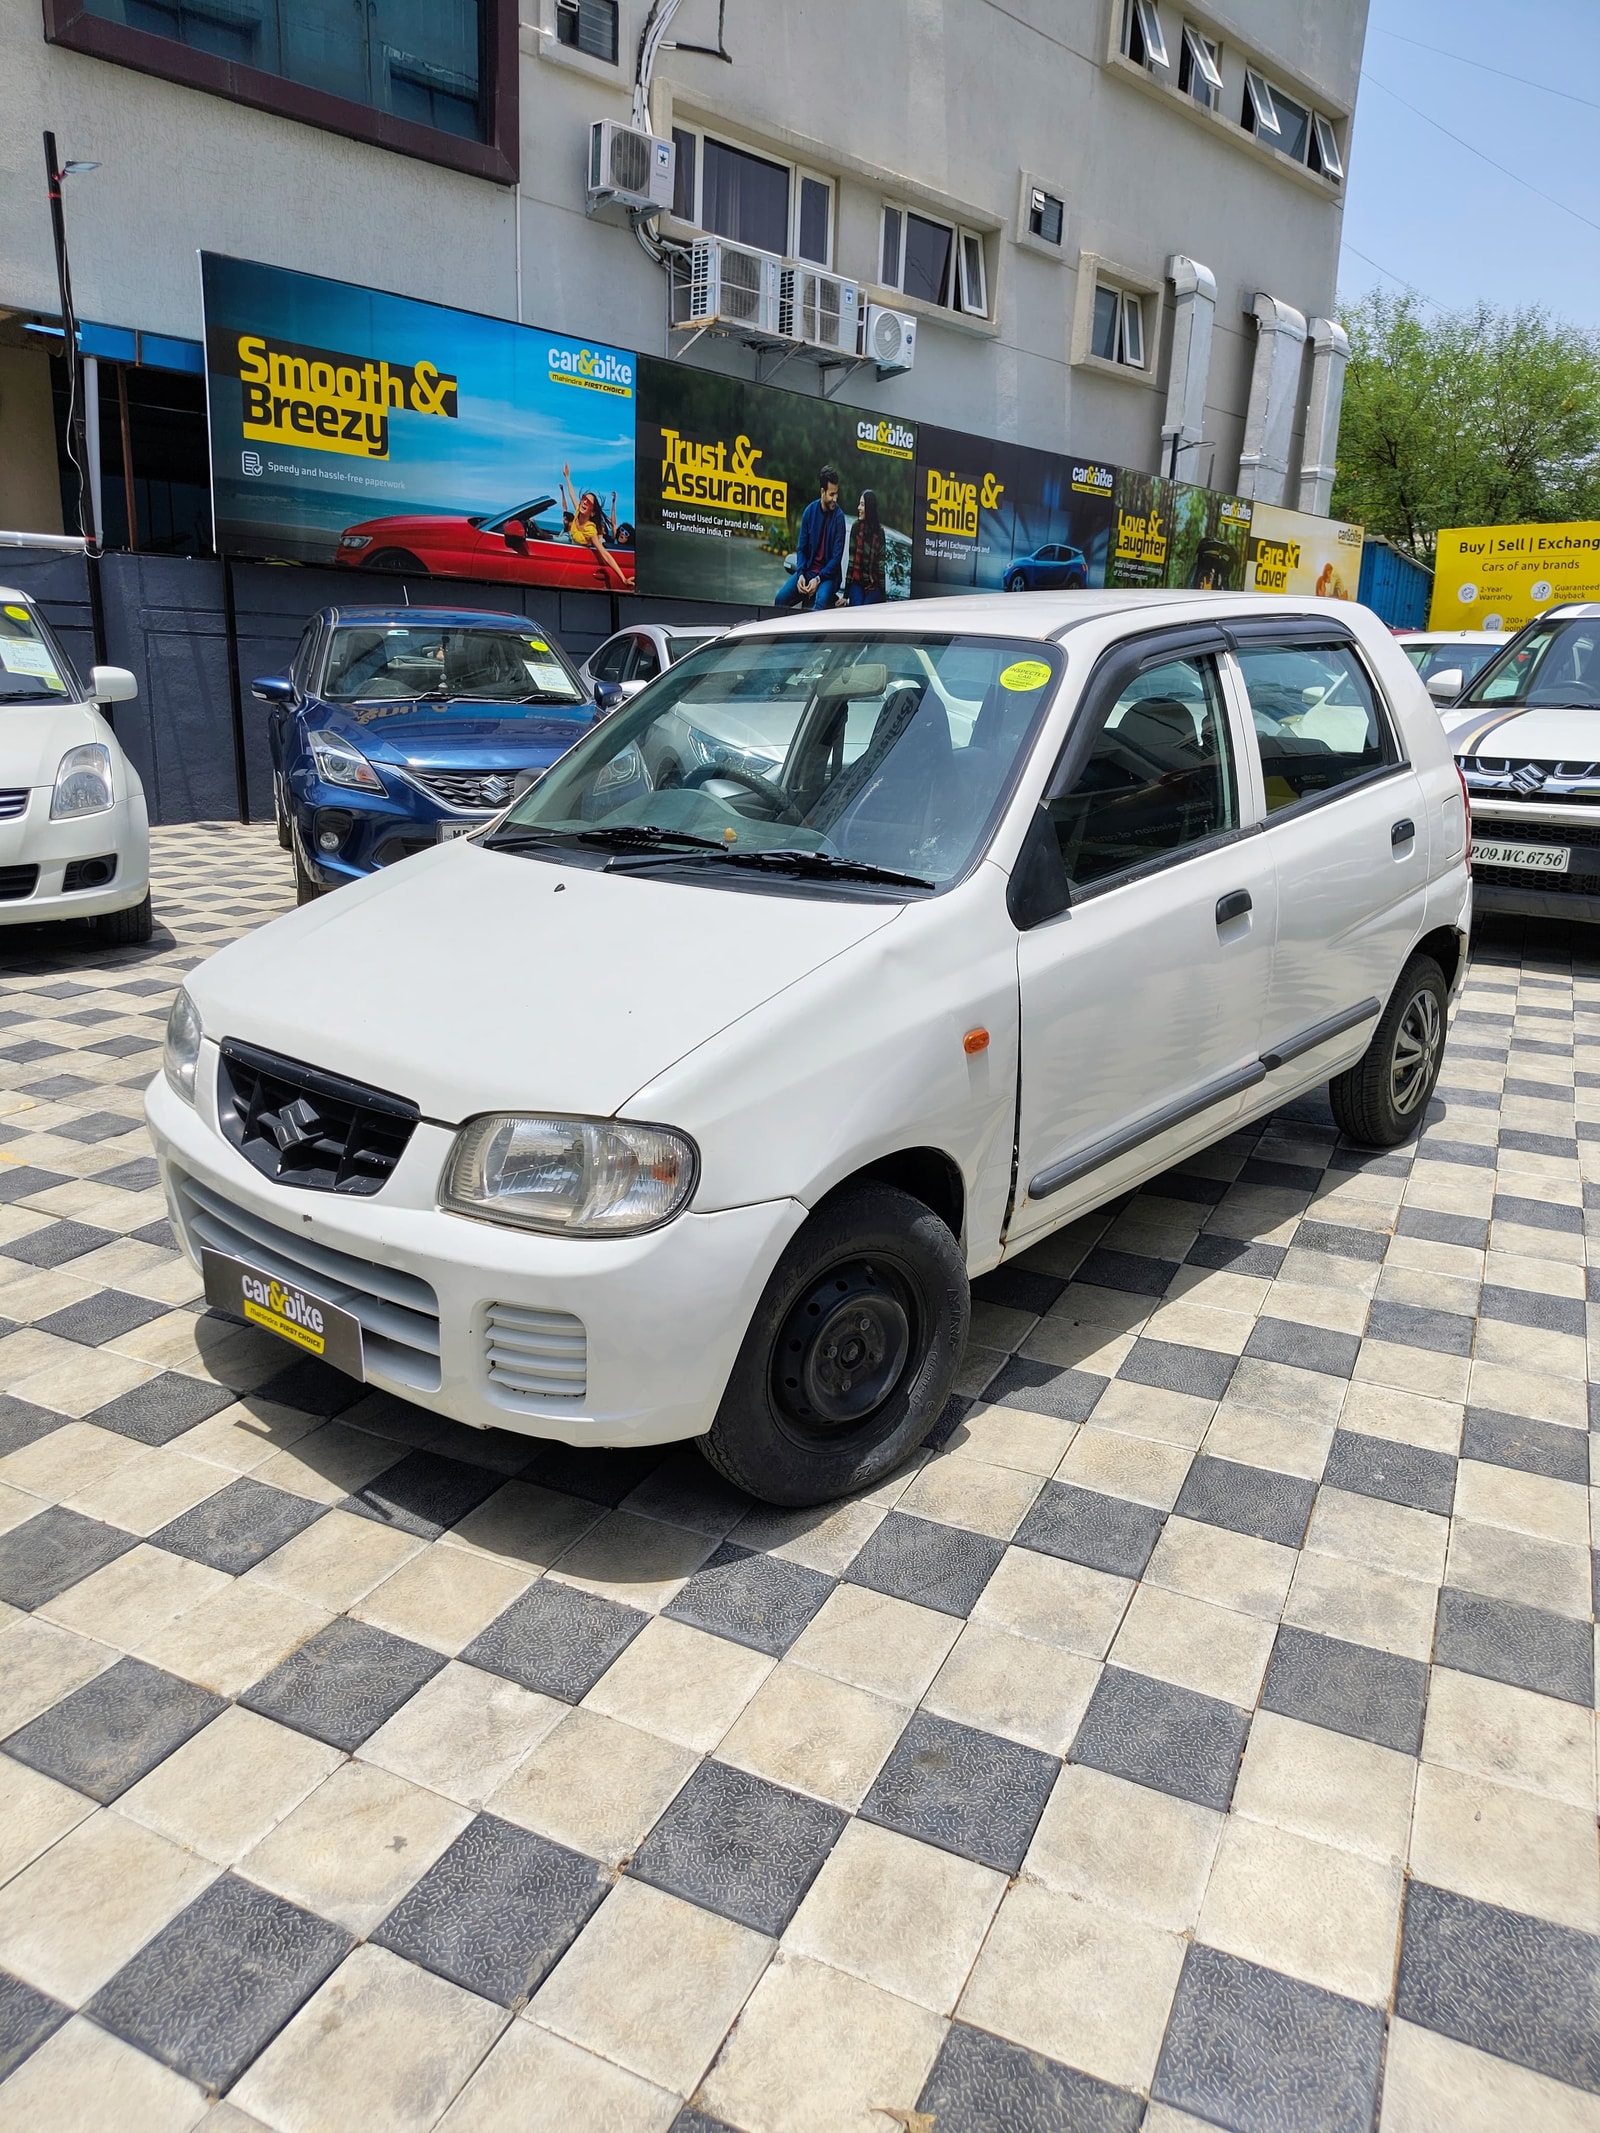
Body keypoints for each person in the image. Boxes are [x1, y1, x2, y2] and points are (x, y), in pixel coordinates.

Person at [774, 466, 845, 610]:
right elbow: (802, 549)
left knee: (819, 604)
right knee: (780, 599)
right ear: (822, 492)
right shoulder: (809, 512)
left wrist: (818, 579)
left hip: (828, 576)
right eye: (831, 494)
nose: (835, 499)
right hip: (807, 572)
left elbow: (836, 558)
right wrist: (800, 574)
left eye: (836, 494)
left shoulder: (839, 518)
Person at [560, 462, 628, 587]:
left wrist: (623, 578)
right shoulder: (577, 513)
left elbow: (605, 554)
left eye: (589, 503)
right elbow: (572, 495)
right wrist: (567, 477)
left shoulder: (590, 529)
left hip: (579, 560)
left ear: (592, 513)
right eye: (584, 499)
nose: (584, 502)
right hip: (570, 549)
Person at [846, 489, 887, 605]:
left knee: (868, 608)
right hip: (857, 583)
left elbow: (881, 566)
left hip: (873, 584)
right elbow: (851, 561)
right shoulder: (855, 528)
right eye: (859, 504)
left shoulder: (879, 533)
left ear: (869, 508)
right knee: (858, 607)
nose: (859, 508)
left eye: (862, 505)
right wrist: (845, 595)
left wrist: (883, 595)